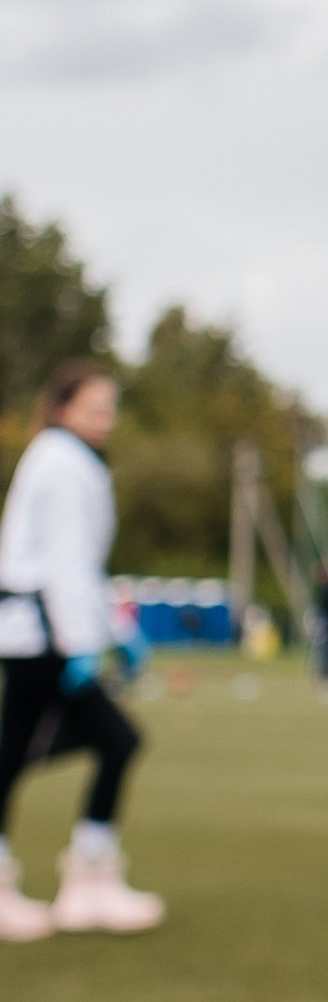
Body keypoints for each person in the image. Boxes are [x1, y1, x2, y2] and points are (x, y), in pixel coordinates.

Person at [0, 359, 165, 939]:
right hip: (46, 635)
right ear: (63, 407)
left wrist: (117, 633)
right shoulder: (66, 464)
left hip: (40, 631)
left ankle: (82, 881)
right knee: (117, 739)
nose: (106, 419)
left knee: (15, 750)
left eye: (110, 408)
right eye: (95, 407)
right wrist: (83, 646)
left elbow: (82, 569)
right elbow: (68, 565)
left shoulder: (62, 459)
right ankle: (88, 881)